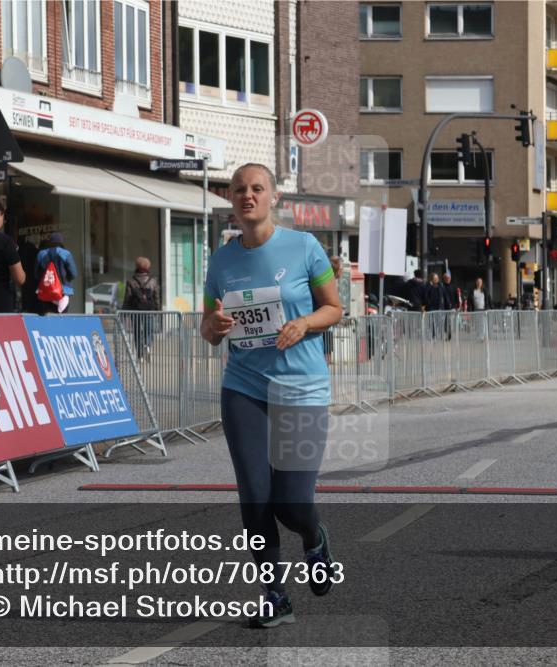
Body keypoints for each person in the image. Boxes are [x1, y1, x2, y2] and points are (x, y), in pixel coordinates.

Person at [200, 163, 342, 628]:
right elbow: (208, 327)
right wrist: (214, 327)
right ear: (232, 199)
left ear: (273, 197)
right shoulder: (221, 260)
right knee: (256, 499)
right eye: (239, 189)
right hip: (244, 388)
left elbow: (334, 308)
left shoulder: (304, 247)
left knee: (293, 502)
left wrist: (305, 323)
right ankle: (274, 595)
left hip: (300, 389)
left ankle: (314, 536)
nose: (247, 196)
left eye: (257, 188)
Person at [122, 256, 161, 361]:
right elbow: (156, 297)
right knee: (149, 331)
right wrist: (157, 310)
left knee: (137, 332)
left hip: (135, 311)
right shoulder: (153, 281)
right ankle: (147, 345)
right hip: (149, 311)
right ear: (148, 266)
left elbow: (127, 298)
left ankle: (140, 356)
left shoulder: (131, 281)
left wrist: (124, 312)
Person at [35, 232, 78, 314]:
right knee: (62, 321)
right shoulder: (66, 254)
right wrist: (65, 279)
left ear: (50, 242)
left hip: (45, 291)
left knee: (46, 320)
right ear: (61, 242)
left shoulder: (41, 254)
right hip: (63, 292)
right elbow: (74, 274)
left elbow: (36, 274)